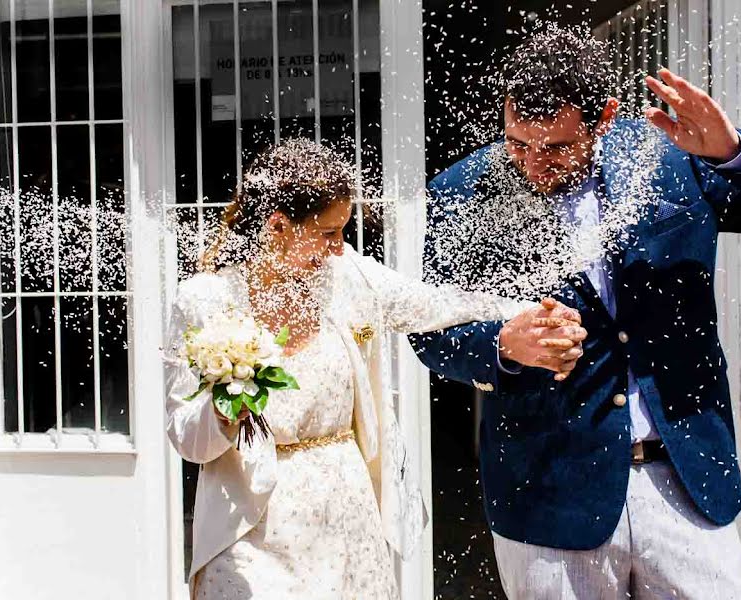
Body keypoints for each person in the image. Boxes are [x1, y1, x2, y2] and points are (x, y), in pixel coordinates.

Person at [410, 26, 741, 599]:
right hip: (550, 494)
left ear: (604, 118)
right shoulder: (465, 191)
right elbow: (432, 335)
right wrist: (504, 345)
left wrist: (733, 151)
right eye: (518, 144)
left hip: (686, 481)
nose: (533, 165)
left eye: (555, 148)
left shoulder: (673, 160)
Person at [163, 138, 584, 599]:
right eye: (327, 233)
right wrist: (222, 414)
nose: (339, 247)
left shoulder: (350, 280)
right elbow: (187, 437)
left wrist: (528, 313)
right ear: (279, 225)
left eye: (343, 230)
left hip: (345, 519)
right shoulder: (205, 302)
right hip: (247, 526)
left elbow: (436, 305)